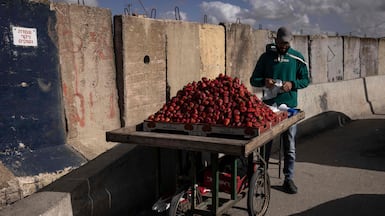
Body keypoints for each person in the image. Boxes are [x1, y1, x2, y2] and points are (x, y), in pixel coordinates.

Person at [250, 26, 309, 194]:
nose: (284, 46)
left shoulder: (296, 58)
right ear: (275, 40)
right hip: (269, 107)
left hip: (289, 107)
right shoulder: (266, 57)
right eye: (281, 43)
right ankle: (262, 176)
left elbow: (306, 80)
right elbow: (253, 79)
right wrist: (264, 81)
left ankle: (288, 178)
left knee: (289, 143)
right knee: (265, 143)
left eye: (287, 43)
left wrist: (293, 84)